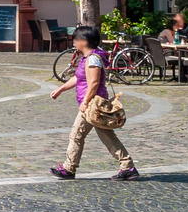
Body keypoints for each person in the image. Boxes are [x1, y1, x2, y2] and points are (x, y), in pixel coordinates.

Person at [49, 25, 138, 181]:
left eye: (76, 39)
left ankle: (69, 168)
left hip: (94, 104)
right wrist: (61, 89)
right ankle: (127, 167)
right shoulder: (87, 58)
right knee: (106, 136)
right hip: (93, 103)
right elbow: (79, 78)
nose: (74, 42)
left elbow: (94, 83)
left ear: (84, 41)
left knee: (76, 135)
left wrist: (85, 102)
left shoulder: (93, 59)